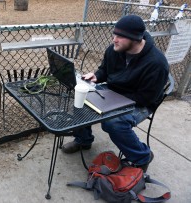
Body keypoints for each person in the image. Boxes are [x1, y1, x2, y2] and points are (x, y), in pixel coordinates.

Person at [61, 15, 169, 172]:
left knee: (113, 122)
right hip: (113, 93)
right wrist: (97, 75)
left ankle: (142, 157)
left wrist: (110, 103)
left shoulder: (156, 63)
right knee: (79, 98)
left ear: (135, 39)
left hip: (140, 103)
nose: (114, 39)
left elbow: (147, 98)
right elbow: (105, 69)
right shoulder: (114, 50)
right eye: (114, 34)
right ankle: (83, 140)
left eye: (120, 36)